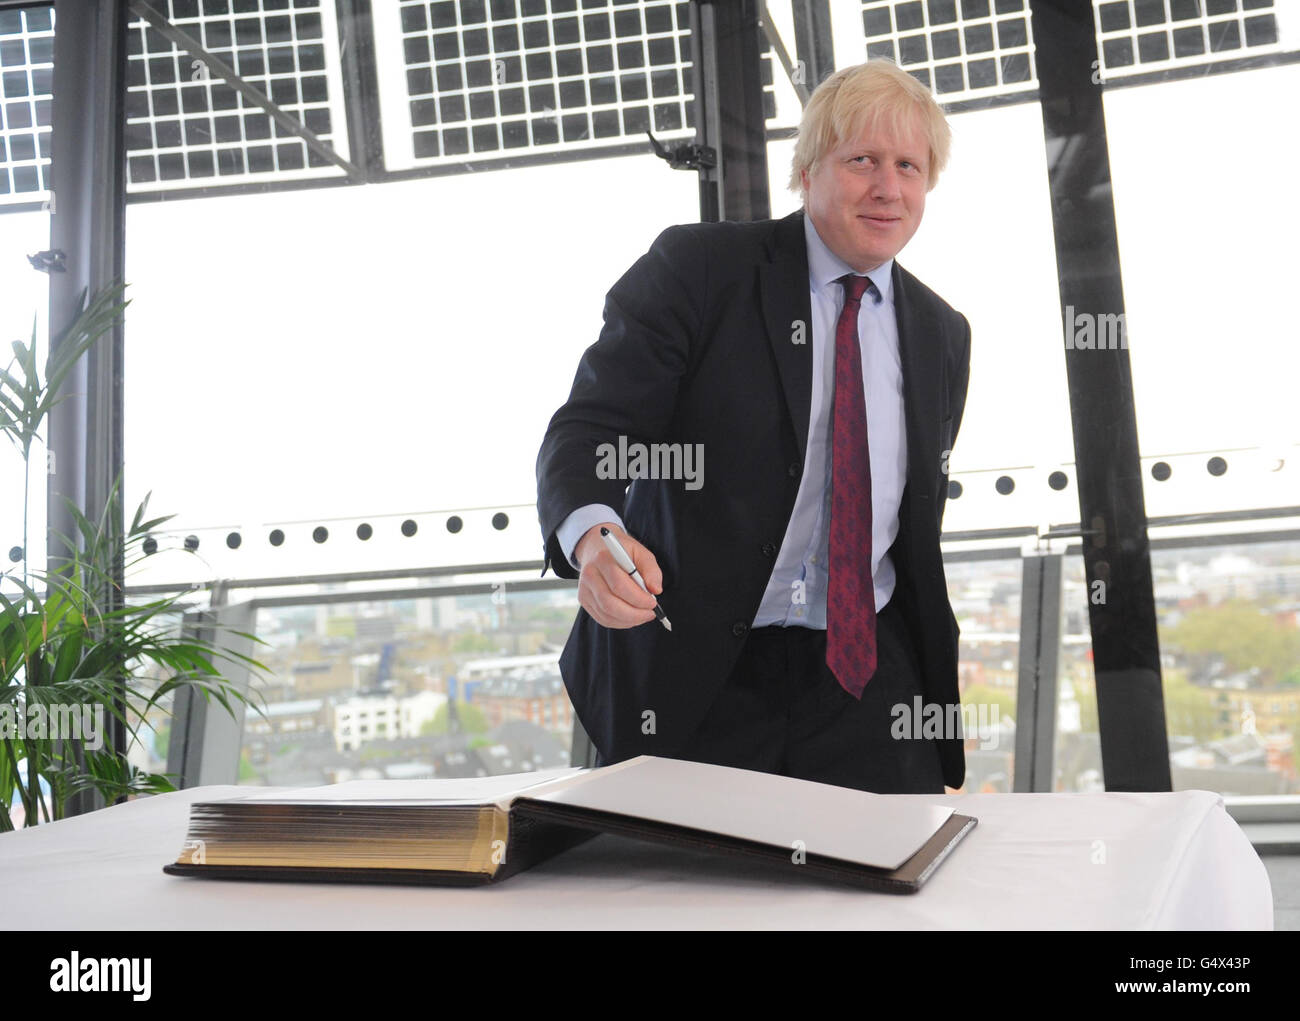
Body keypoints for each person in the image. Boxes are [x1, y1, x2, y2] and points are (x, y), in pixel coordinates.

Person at [535, 59, 971, 794]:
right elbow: (589, 430)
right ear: (807, 169)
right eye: (861, 159)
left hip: (867, 679)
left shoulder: (942, 333)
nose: (888, 187)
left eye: (909, 166)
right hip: (697, 672)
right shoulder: (701, 271)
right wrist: (592, 538)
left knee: (890, 902)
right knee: (687, 902)